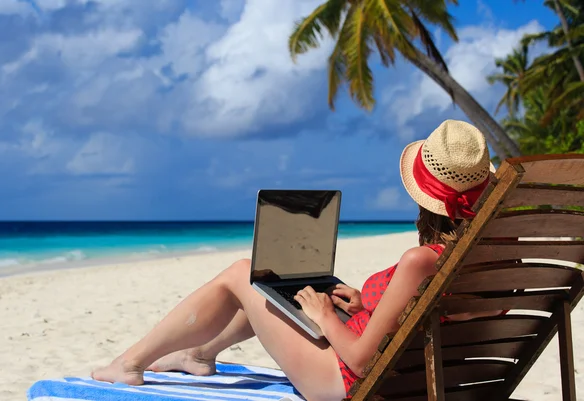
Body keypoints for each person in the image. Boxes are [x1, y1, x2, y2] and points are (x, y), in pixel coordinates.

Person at [92, 119, 505, 401]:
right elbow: (435, 320)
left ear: (425, 197)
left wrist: (326, 316)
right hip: (414, 373)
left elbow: (361, 362)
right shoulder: (483, 261)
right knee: (274, 288)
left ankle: (129, 363)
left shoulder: (422, 260)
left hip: (341, 380)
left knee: (242, 274)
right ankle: (198, 355)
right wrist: (370, 307)